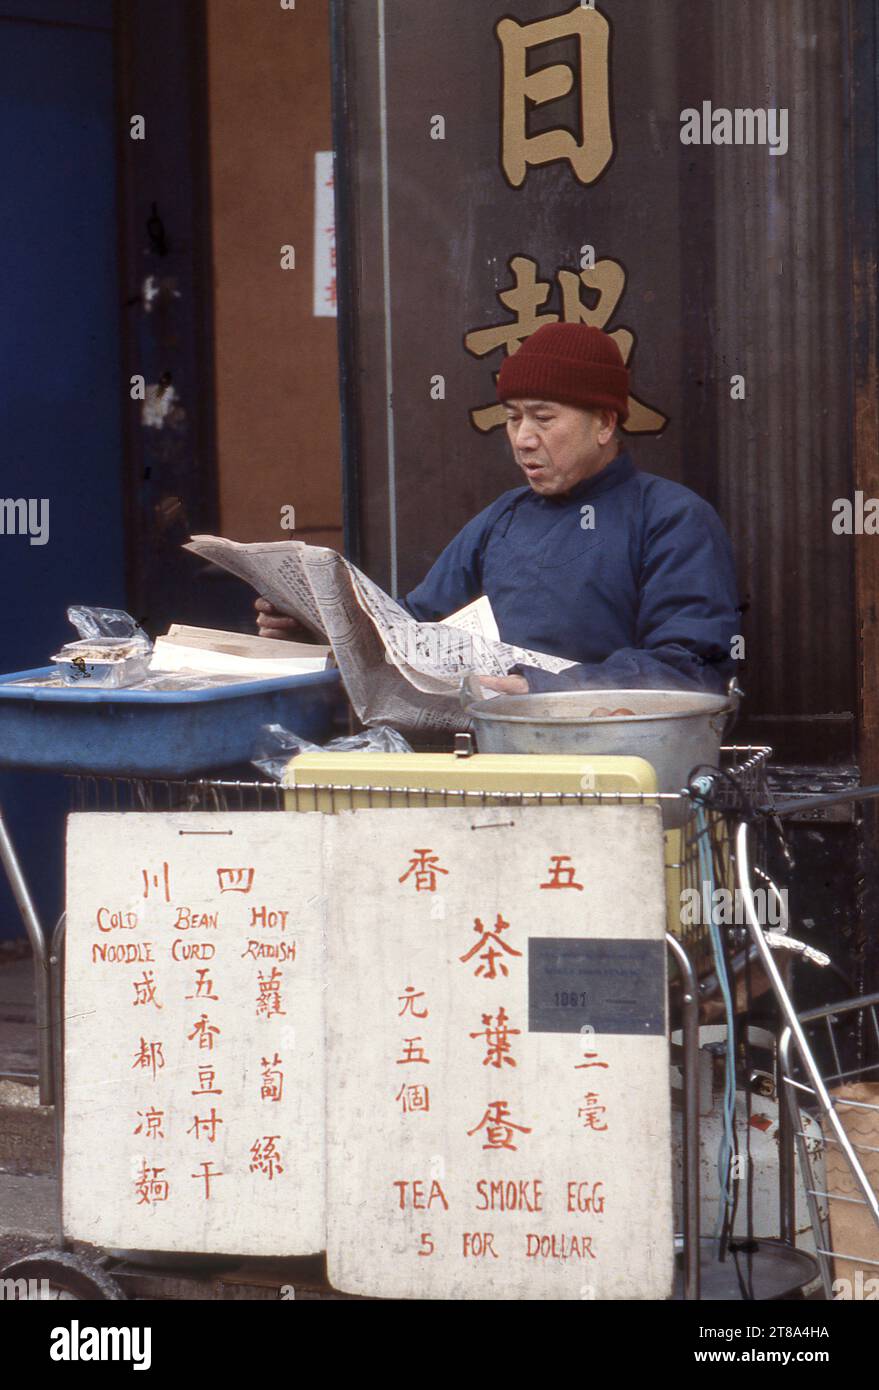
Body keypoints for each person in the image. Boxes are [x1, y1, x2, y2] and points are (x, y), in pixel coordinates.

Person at [256, 324, 739, 695]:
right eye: (512, 418)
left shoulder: (671, 518)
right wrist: (319, 631)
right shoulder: (503, 519)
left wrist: (546, 691)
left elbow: (686, 670)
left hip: (611, 764)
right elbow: (411, 632)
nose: (523, 438)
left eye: (544, 418)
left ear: (605, 423)